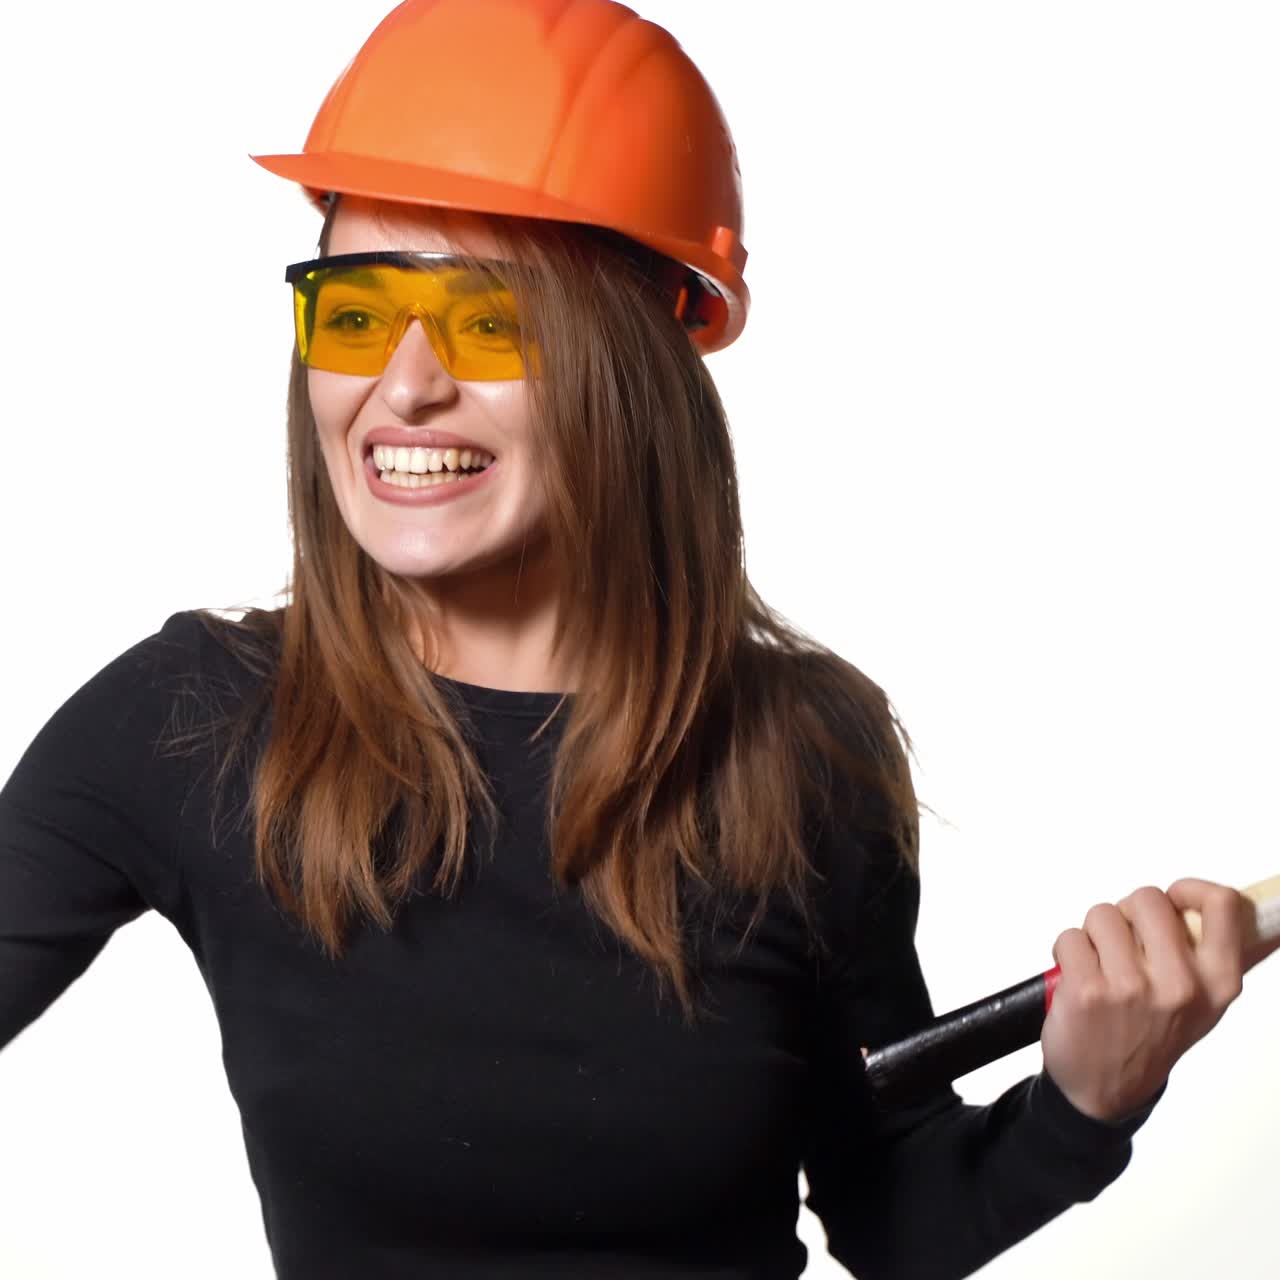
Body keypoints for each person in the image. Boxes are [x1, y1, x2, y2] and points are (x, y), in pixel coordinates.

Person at [1, 2, 1275, 1277]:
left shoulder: (802, 753)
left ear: (632, 369)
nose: (402, 386)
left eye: (488, 319)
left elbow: (891, 1214)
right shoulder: (191, 726)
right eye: (354, 312)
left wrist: (1082, 1103)